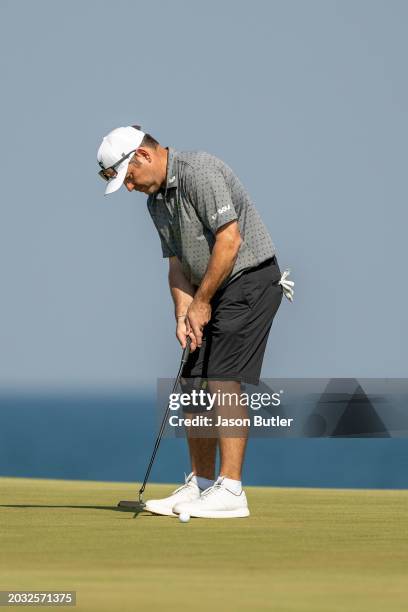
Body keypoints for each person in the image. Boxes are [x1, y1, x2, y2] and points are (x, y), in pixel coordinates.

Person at [97, 125, 294, 519]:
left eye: (129, 177)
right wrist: (183, 313)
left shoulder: (198, 171)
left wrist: (202, 302)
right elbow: (177, 265)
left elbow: (230, 241)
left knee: (221, 376)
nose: (131, 188)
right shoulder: (156, 205)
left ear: (143, 156)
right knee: (193, 382)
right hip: (212, 289)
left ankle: (232, 491)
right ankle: (202, 486)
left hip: (251, 279)